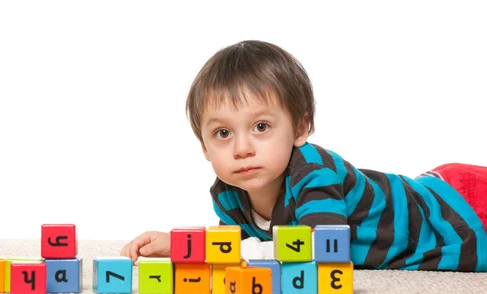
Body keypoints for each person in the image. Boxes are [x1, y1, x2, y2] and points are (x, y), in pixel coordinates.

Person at [120, 40, 487, 271]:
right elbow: (230, 247)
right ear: (204, 147)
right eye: (222, 133)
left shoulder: (314, 175)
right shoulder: (227, 194)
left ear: (300, 129)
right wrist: (179, 244)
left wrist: (242, 253)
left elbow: (318, 251)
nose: (242, 148)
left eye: (261, 127)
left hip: (456, 206)